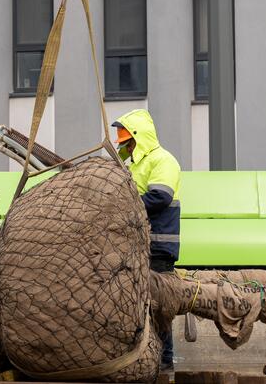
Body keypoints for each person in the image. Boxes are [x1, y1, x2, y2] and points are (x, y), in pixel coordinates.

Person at [112, 109, 181, 372]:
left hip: (158, 246)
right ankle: (146, 358)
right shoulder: (135, 164)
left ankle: (164, 362)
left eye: (127, 143)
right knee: (140, 304)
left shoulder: (163, 160)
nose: (125, 148)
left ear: (138, 140)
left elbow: (161, 197)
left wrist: (125, 206)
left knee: (159, 304)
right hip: (139, 246)